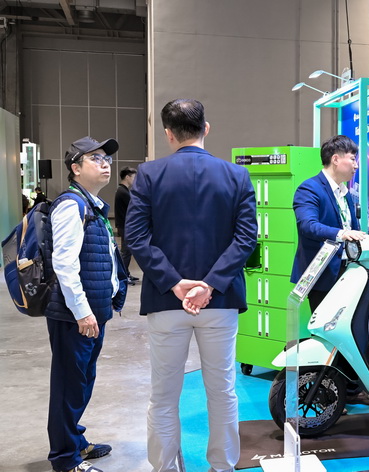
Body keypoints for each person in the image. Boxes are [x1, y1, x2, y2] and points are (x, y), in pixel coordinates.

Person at [125, 99, 257, 472]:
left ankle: (165, 467)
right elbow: (246, 239)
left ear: (168, 134)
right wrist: (210, 285)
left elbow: (136, 236)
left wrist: (174, 282)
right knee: (222, 392)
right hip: (221, 301)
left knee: (163, 396)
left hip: (166, 302)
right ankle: (222, 466)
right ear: (206, 129)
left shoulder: (149, 175)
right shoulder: (236, 176)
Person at [46, 136, 128, 472]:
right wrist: (82, 312)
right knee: (69, 385)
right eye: (95, 158)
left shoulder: (90, 205)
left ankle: (74, 441)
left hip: (94, 312)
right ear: (75, 168)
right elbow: (64, 264)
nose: (105, 163)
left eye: (106, 158)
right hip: (75, 317)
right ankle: (65, 458)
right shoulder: (72, 205)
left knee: (81, 382)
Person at [291, 134, 367, 312]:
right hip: (324, 273)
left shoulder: (344, 191)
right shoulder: (309, 188)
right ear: (335, 159)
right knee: (324, 324)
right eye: (352, 159)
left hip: (349, 270)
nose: (356, 165)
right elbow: (308, 225)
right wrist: (342, 234)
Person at [114, 166, 138, 285]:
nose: (135, 180)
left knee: (127, 252)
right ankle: (123, 275)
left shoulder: (123, 190)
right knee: (126, 252)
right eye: (134, 177)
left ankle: (126, 273)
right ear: (127, 177)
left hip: (124, 225)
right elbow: (134, 207)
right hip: (125, 226)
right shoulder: (123, 192)